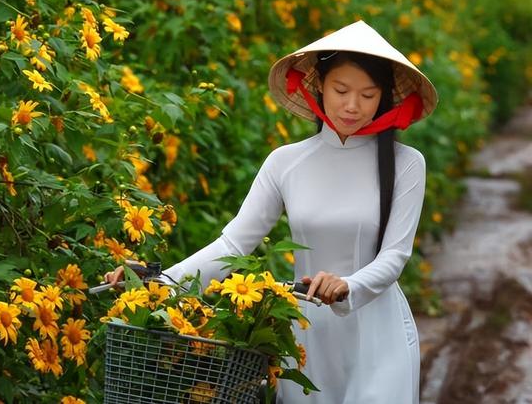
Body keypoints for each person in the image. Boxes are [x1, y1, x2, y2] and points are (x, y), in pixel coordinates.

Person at [106, 20, 437, 403]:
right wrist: (160, 282)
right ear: (319, 87)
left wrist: (349, 284)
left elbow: (395, 255)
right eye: (341, 90)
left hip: (381, 339)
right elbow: (234, 243)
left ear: (384, 98)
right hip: (306, 341)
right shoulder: (286, 162)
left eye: (368, 94)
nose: (352, 105)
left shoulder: (407, 163)